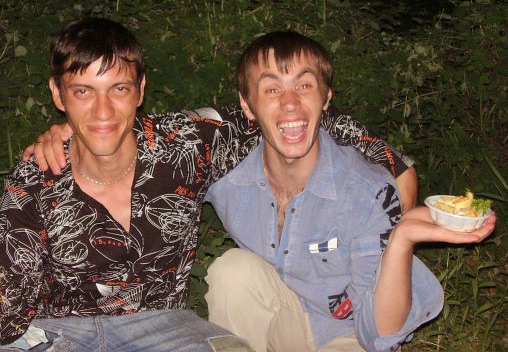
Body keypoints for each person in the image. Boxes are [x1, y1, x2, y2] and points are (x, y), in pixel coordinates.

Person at [0, 18, 412, 351]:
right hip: (59, 335)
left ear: (140, 90)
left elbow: (287, 115)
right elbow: (5, 322)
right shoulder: (37, 175)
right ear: (58, 96)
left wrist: (398, 179)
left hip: (165, 331)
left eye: (118, 89)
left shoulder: (186, 144)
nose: (103, 111)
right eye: (83, 92)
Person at [202, 31, 496, 352]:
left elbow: (379, 335)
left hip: (348, 333)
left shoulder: (366, 190)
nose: (290, 103)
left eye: (304, 85)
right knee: (233, 272)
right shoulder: (225, 173)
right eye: (272, 89)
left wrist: (401, 240)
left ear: (326, 98)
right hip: (286, 314)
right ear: (247, 105)